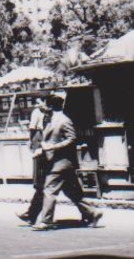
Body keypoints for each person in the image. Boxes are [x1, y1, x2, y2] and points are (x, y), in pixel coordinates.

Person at [29, 91, 103, 231]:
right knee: (72, 192)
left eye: (43, 104)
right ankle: (93, 213)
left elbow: (72, 139)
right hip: (56, 161)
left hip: (61, 162)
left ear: (50, 106)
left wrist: (53, 147)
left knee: (49, 189)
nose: (40, 106)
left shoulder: (63, 120)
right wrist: (43, 149)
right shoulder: (50, 119)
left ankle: (46, 221)